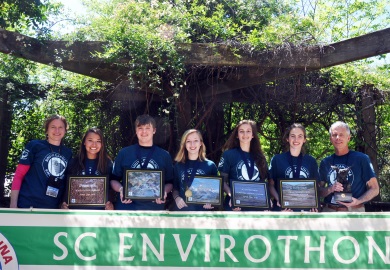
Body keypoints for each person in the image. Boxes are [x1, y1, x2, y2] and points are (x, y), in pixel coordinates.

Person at [110, 114, 174, 210]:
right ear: (136, 131)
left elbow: (170, 182)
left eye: (148, 128)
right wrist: (121, 189)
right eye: (140, 128)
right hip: (127, 206)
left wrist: (163, 191)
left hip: (154, 207)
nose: (144, 131)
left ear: (154, 130)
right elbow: (113, 180)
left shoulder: (164, 155)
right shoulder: (124, 153)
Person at [10, 114, 72, 209]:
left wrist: (63, 203)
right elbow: (19, 175)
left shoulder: (68, 153)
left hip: (53, 209)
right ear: (47, 130)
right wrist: (13, 205)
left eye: (60, 127)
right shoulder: (34, 146)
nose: (57, 131)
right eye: (53, 127)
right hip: (28, 205)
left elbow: (67, 182)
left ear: (65, 130)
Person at [319, 121, 379, 212]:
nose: (338, 138)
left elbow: (375, 189)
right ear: (330, 139)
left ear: (348, 138)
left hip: (355, 210)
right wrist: (330, 189)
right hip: (330, 210)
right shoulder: (325, 162)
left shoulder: (361, 159)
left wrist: (358, 201)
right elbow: (318, 191)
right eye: (334, 135)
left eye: (341, 134)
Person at [218, 119, 268, 211]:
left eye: (248, 131)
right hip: (234, 204)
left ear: (253, 135)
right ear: (237, 135)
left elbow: (262, 182)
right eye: (241, 131)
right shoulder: (228, 155)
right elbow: (222, 181)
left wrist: (266, 201)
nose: (245, 134)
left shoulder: (261, 157)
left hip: (255, 204)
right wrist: (231, 195)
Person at [268, 123, 319, 211]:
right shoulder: (277, 159)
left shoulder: (311, 161)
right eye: (293, 136)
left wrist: (314, 203)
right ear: (287, 138)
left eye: (300, 136)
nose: (296, 139)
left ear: (304, 139)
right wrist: (278, 199)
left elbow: (316, 187)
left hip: (304, 211)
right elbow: (270, 185)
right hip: (283, 210)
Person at [61, 128, 114, 210]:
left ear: (102, 144)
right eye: (90, 140)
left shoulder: (108, 164)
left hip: (99, 214)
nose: (94, 144)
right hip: (76, 213)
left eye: (98, 141)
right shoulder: (73, 163)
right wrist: (63, 204)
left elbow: (111, 189)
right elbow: (65, 187)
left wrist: (111, 204)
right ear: (84, 142)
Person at [172, 129, 218, 211]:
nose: (192, 144)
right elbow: (175, 188)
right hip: (182, 211)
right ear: (184, 144)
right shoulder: (178, 166)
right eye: (188, 141)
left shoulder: (210, 166)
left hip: (202, 213)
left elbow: (215, 192)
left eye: (196, 141)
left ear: (201, 143)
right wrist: (177, 198)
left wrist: (211, 202)